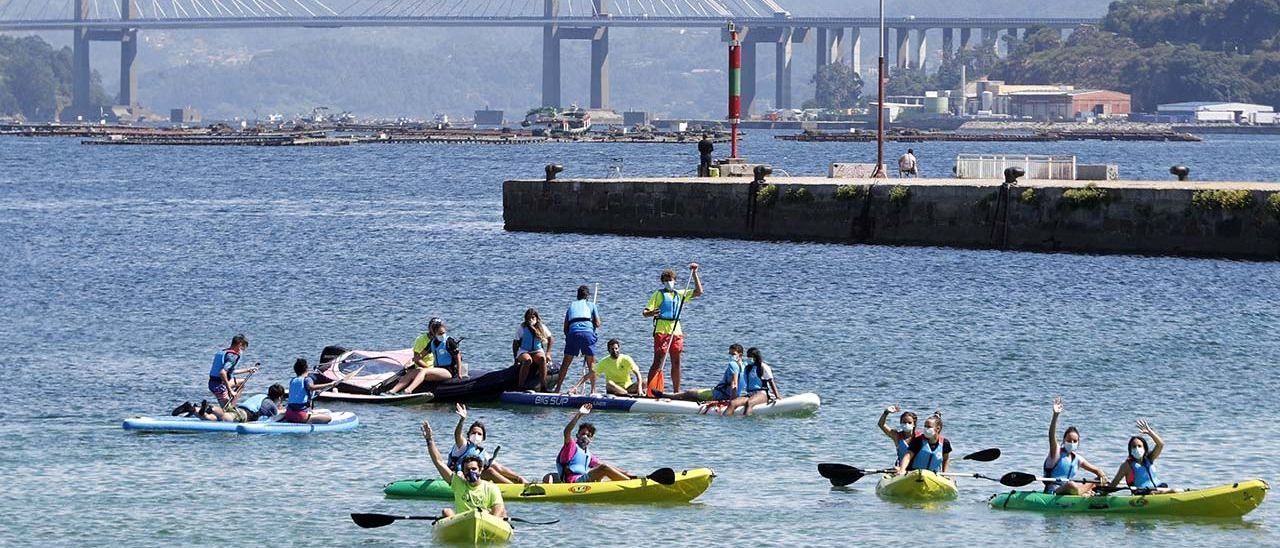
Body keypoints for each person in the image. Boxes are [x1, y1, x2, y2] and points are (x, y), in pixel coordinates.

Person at [421, 420, 507, 519]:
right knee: (447, 511)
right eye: (468, 469)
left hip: (486, 521)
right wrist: (429, 440)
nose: (471, 472)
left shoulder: (491, 488)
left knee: (502, 511)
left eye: (474, 469)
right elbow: (439, 462)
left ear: (480, 470)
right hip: (463, 521)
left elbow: (499, 507)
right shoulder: (458, 484)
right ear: (464, 471)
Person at [643, 264, 703, 395]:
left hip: (676, 331)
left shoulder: (680, 294)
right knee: (658, 361)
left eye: (670, 280)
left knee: (676, 362)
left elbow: (699, 292)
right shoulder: (658, 294)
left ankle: (676, 392)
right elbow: (645, 312)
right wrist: (652, 312)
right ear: (663, 282)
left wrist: (694, 274)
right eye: (666, 280)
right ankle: (650, 390)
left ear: (675, 281)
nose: (668, 282)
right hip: (661, 331)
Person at [449, 404, 527, 484]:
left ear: (483, 438)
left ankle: (523, 484)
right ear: (468, 435)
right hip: (458, 476)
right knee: (490, 471)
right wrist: (462, 420)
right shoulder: (463, 445)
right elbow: (457, 435)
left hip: (473, 477)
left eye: (479, 434)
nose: (476, 435)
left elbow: (499, 468)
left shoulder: (482, 453)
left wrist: (518, 477)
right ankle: (514, 488)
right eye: (473, 433)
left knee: (498, 471)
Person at [1044, 397, 1108, 495]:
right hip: (1054, 491)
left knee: (1097, 479)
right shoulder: (1056, 452)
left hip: (1070, 491)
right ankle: (1085, 492)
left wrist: (1101, 475)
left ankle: (1091, 492)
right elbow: (1051, 435)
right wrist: (1055, 415)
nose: (1072, 443)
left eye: (1075, 441)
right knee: (1071, 485)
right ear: (1064, 441)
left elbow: (1096, 470)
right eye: (1069, 440)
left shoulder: (1077, 459)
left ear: (1078, 442)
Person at [553, 404, 632, 483]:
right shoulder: (571, 446)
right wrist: (579, 415)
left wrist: (625, 473)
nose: (585, 437)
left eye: (588, 435)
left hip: (584, 481)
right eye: (582, 434)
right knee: (604, 468)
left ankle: (630, 480)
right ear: (577, 435)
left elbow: (605, 465)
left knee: (606, 475)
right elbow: (567, 432)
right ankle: (631, 484)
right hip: (573, 482)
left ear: (591, 439)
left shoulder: (588, 455)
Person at [654, 343, 745, 405]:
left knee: (691, 393)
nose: (730, 356)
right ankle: (675, 399)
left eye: (733, 354)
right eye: (729, 354)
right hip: (730, 394)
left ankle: (664, 395)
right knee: (693, 397)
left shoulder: (733, 365)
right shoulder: (745, 366)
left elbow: (734, 384)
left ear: (740, 355)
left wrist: (731, 402)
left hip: (720, 394)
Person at [387, 317, 457, 394]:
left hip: (447, 371)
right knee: (411, 372)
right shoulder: (431, 343)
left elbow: (458, 356)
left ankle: (408, 390)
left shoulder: (448, 342)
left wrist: (459, 373)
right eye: (438, 332)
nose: (441, 334)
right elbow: (418, 357)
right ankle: (392, 391)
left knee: (423, 371)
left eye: (442, 332)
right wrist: (413, 361)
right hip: (432, 370)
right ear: (433, 331)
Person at [551, 285, 602, 393]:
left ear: (577, 296)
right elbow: (598, 324)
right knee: (592, 364)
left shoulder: (571, 306)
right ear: (587, 296)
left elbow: (565, 328)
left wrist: (570, 339)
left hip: (573, 333)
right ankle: (593, 391)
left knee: (566, 363)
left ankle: (558, 388)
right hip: (588, 333)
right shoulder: (591, 305)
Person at [1107, 419, 1170, 493]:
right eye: (1134, 446)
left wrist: (1150, 432)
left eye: (1139, 446)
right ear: (1130, 450)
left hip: (1159, 489)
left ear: (1144, 448)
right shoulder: (1126, 465)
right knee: (1176, 490)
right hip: (1142, 493)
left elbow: (1160, 444)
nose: (1137, 448)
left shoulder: (1150, 458)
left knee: (1176, 490)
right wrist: (1104, 493)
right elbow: (1115, 482)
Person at [568, 338, 642, 396]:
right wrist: (575, 387)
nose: (615, 351)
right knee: (609, 383)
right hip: (613, 389)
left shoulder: (626, 359)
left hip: (628, 388)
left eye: (616, 349)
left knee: (645, 381)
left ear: (619, 349)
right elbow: (589, 374)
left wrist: (639, 388)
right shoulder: (604, 361)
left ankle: (639, 394)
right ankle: (628, 395)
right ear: (608, 350)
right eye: (612, 349)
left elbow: (637, 373)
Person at [724, 347, 780, 416]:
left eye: (750, 356)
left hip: (762, 393)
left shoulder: (763, 367)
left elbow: (771, 382)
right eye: (747, 356)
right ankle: (725, 422)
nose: (748, 358)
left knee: (749, 403)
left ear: (755, 357)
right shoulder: (747, 368)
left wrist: (777, 396)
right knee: (733, 403)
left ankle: (746, 422)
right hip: (750, 394)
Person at [283, 358, 341, 424]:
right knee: (328, 418)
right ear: (306, 369)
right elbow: (311, 387)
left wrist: (316, 392)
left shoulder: (293, 380)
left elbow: (300, 392)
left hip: (289, 414)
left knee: (323, 411)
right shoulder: (307, 379)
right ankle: (307, 420)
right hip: (300, 416)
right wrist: (330, 384)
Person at [207, 334, 258, 406]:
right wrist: (230, 390)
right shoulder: (232, 357)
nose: (242, 351)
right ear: (239, 345)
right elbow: (222, 373)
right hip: (218, 386)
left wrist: (248, 370)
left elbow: (230, 372)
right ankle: (230, 408)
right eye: (243, 348)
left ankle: (232, 405)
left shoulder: (224, 351)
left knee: (242, 382)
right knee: (226, 412)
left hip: (214, 382)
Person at [194, 384, 286, 423]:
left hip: (239, 409)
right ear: (278, 397)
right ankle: (211, 408)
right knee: (224, 416)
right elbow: (277, 416)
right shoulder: (271, 405)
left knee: (216, 417)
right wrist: (285, 411)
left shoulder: (261, 396)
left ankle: (194, 409)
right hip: (244, 414)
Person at [514, 308, 554, 390]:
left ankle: (543, 385)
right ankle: (520, 385)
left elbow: (550, 339)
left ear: (536, 318)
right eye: (529, 318)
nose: (531, 320)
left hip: (537, 350)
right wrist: (516, 358)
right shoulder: (522, 327)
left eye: (533, 317)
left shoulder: (541, 327)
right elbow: (515, 343)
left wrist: (548, 353)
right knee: (528, 360)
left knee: (542, 358)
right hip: (524, 350)